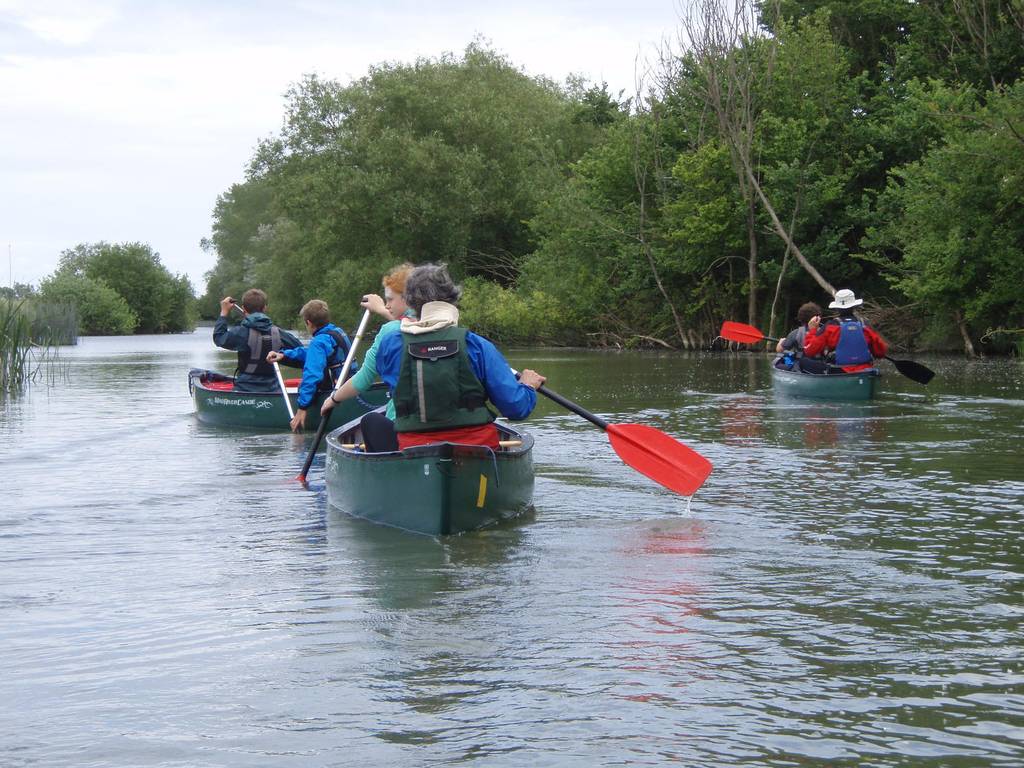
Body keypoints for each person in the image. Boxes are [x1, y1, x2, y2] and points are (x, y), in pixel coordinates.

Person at [322, 263, 545, 452]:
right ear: (451, 299)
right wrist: (526, 386)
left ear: (410, 302)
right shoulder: (477, 345)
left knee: (371, 421)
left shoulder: (391, 345)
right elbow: (516, 408)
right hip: (476, 451)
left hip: (413, 451)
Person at [319, 263, 416, 450]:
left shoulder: (389, 332)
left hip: (404, 427)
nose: (387, 305)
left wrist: (333, 399)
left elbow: (363, 380)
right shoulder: (445, 327)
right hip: (445, 426)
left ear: (407, 298)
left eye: (390, 299)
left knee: (371, 421)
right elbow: (411, 325)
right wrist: (382, 310)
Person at [267, 299, 354, 432]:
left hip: (336, 389)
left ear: (309, 323)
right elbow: (311, 354)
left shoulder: (319, 342)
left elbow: (312, 375)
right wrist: (284, 355)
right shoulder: (337, 331)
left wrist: (302, 408)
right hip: (351, 384)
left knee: (304, 386)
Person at [213, 289, 302, 392]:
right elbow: (301, 351)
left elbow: (219, 338)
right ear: (265, 308)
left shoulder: (241, 332)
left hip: (244, 389)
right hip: (273, 390)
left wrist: (224, 312)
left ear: (243, 309)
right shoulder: (279, 333)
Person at [801, 289, 888, 374]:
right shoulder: (864, 326)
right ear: (854, 306)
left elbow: (810, 351)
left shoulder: (830, 327)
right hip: (864, 372)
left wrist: (812, 330)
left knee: (803, 361)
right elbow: (881, 352)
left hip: (838, 371)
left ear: (837, 308)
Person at [775, 301, 823, 370]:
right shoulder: (824, 331)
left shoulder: (796, 333)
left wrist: (780, 342)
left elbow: (780, 350)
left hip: (801, 367)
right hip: (819, 366)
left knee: (784, 356)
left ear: (801, 318)